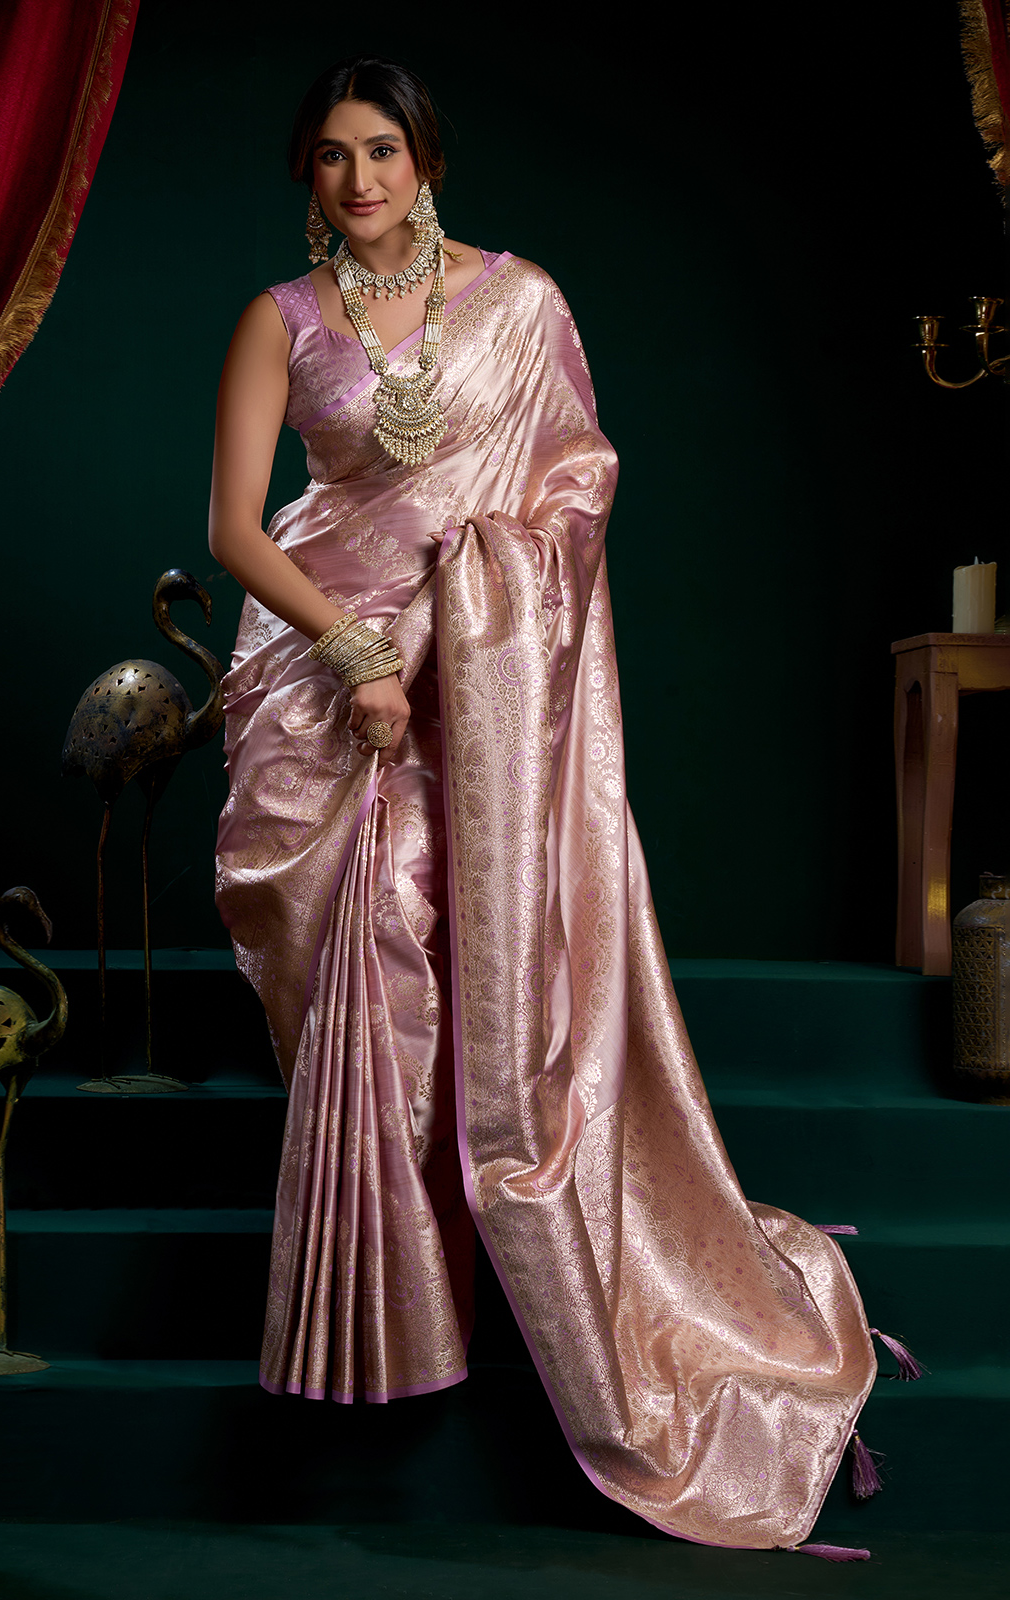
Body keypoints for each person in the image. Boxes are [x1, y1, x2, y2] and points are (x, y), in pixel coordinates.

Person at [211, 56, 878, 1556]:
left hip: (487, 694)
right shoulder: (281, 320)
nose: (360, 180)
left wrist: (459, 629)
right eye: (333, 155)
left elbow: (573, 488)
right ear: (307, 173)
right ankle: (386, 1311)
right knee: (364, 974)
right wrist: (358, 651)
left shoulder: (521, 303)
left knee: (475, 977)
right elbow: (235, 529)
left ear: (428, 161)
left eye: (384, 151)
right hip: (321, 675)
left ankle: (505, 1284)